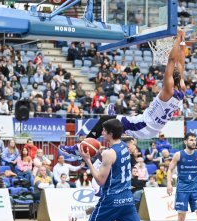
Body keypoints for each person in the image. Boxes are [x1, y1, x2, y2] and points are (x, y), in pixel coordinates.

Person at [60, 28, 187, 158]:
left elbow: (172, 60)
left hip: (144, 126)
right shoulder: (181, 89)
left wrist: (177, 39)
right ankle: (113, 122)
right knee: (112, 123)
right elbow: (181, 61)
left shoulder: (167, 90)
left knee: (105, 120)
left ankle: (79, 149)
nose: (175, 69)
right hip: (149, 125)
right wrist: (182, 40)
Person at [79, 118, 173, 221]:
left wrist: (88, 161)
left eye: (103, 131)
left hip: (111, 199)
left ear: (109, 133)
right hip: (127, 198)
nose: (101, 133)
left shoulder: (109, 153)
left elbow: (101, 181)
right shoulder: (124, 147)